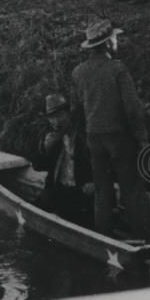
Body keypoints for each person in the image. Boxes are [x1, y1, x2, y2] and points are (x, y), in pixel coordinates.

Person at [71, 19, 150, 238]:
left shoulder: (78, 72)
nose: (116, 42)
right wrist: (142, 137)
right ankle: (141, 238)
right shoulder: (118, 69)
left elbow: (78, 107)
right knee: (131, 188)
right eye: (114, 39)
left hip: (93, 137)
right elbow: (132, 108)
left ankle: (103, 236)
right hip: (119, 136)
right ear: (107, 44)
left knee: (102, 189)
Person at [31, 93, 94, 224]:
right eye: (51, 118)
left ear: (68, 114)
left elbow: (102, 164)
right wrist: (45, 149)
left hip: (80, 193)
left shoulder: (84, 136)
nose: (55, 122)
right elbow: (37, 166)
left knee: (48, 198)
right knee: (40, 201)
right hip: (59, 190)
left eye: (59, 116)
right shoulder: (50, 136)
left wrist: (94, 182)